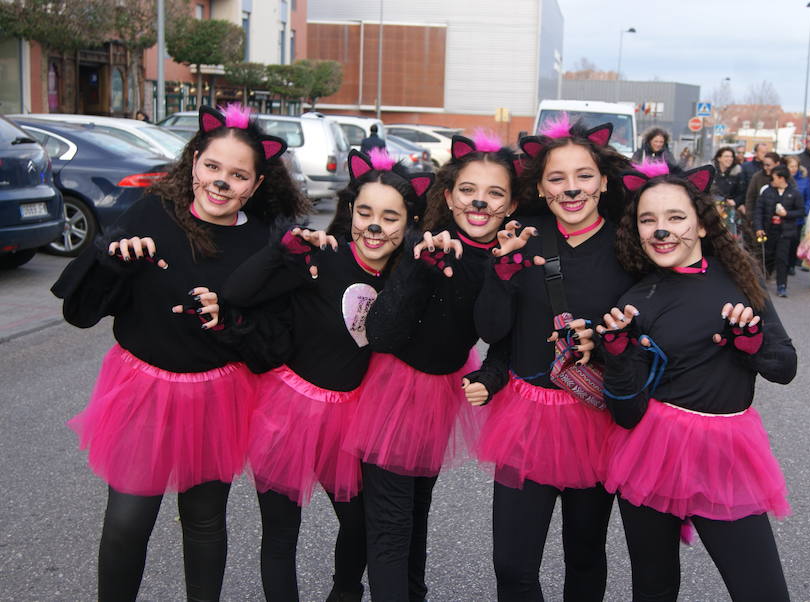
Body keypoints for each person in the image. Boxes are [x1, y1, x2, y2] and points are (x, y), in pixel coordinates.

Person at [50, 104, 305, 601]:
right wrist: (112, 261)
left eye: (238, 175)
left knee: (205, 522)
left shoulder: (262, 240)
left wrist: (229, 320)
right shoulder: (152, 211)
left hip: (218, 395)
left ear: (254, 185)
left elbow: (275, 341)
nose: (221, 183)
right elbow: (80, 312)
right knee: (127, 521)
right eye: (212, 167)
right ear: (194, 163)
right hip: (142, 389)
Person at [221, 148, 433, 602]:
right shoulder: (323, 257)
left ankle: (344, 592)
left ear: (410, 221)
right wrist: (282, 251)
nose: (375, 226)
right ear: (350, 211)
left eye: (391, 216)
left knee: (359, 523)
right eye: (365, 212)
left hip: (354, 418)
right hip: (288, 408)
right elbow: (237, 293)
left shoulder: (406, 276)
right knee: (282, 532)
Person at [593, 163, 795, 602]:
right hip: (652, 451)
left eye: (675, 218)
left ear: (702, 224)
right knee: (654, 587)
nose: (661, 231)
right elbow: (625, 412)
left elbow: (784, 367)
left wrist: (752, 343)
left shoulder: (741, 283)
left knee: (762, 591)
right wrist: (619, 356)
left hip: (727, 454)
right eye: (648, 220)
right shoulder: (635, 300)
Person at [344, 131, 515, 601]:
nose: (479, 200)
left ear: (511, 204)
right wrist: (421, 264)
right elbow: (381, 332)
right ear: (448, 195)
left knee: (418, 509)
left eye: (495, 192)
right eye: (468, 189)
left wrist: (491, 375)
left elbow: (503, 337)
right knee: (391, 524)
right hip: (393, 392)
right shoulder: (421, 244)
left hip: (442, 392)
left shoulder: (505, 260)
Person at [474, 115, 635, 601]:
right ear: (541, 188)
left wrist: (603, 345)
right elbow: (492, 330)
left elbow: (646, 328)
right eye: (556, 179)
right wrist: (500, 273)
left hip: (592, 418)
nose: (571, 189)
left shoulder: (629, 246)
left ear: (604, 181)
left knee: (584, 555)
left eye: (584, 176)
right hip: (524, 415)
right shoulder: (522, 235)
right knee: (511, 563)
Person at [754, 165, 805, 297]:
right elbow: (759, 210)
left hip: (785, 232)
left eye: (774, 178)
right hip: (769, 230)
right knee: (767, 257)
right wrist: (759, 227)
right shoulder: (767, 192)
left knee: (782, 259)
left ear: (782, 178)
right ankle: (763, 283)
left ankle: (782, 285)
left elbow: (801, 211)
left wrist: (787, 213)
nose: (772, 181)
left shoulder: (794, 193)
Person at [784, 155, 810, 275]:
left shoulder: (804, 180)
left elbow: (809, 198)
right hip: (784, 216)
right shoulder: (782, 179)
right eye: (791, 166)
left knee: (794, 242)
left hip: (797, 218)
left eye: (796, 166)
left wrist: (804, 211)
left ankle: (791, 264)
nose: (794, 169)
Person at [710, 146, 743, 237]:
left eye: (731, 156)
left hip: (729, 211)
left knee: (729, 236)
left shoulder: (737, 173)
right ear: (719, 158)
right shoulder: (712, 173)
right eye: (726, 156)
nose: (729, 159)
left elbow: (742, 192)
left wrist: (735, 201)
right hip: (713, 209)